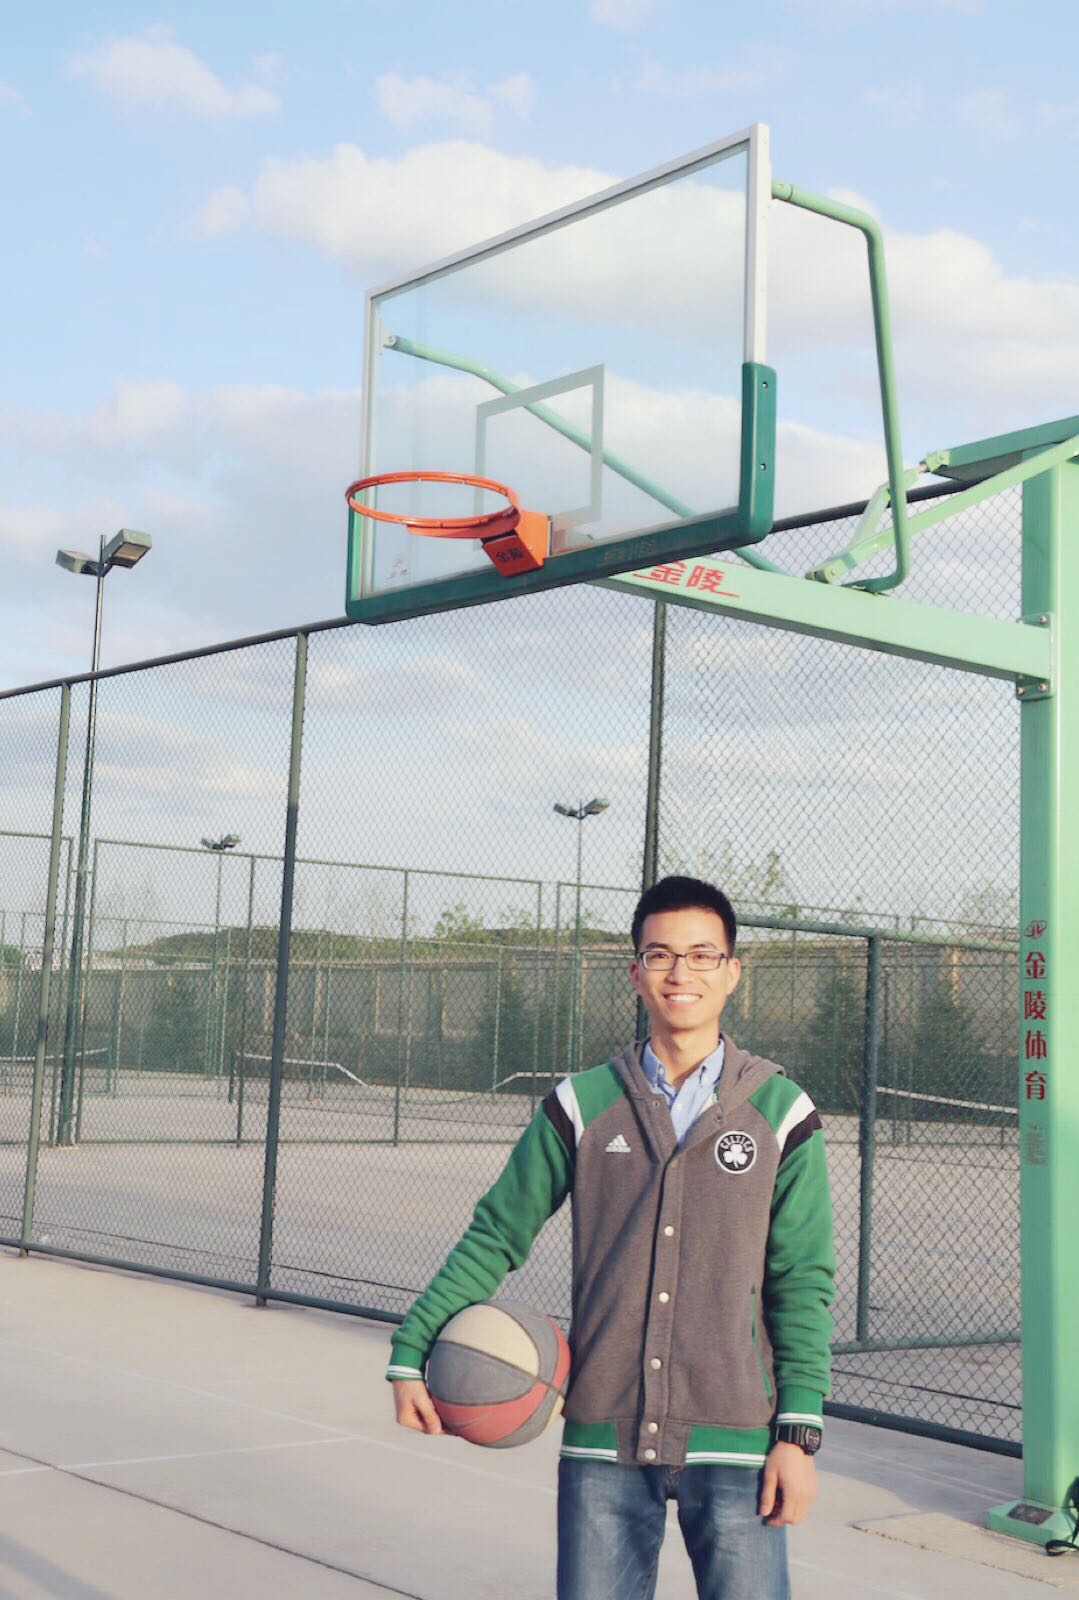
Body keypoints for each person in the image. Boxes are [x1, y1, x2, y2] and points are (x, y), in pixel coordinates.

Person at [388, 875, 835, 1599]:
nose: (680, 973)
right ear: (634, 972)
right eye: (660, 955)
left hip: (739, 1439)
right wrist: (412, 1351)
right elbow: (497, 1232)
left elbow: (802, 1279)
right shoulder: (582, 1104)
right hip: (604, 1433)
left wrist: (798, 1432)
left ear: (731, 972)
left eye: (701, 955)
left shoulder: (782, 1111)